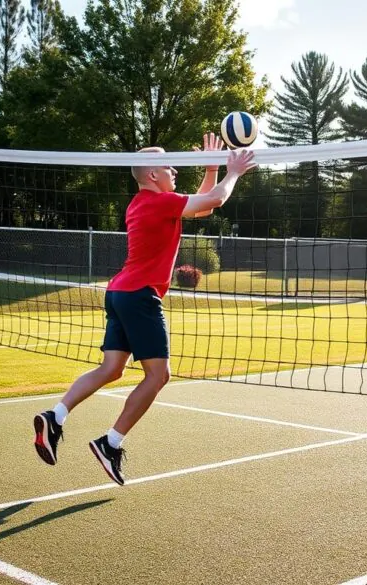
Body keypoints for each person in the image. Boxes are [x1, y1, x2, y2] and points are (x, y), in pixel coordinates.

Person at [32, 133, 256, 485]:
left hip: (119, 291)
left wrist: (212, 167)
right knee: (159, 375)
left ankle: (55, 416)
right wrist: (234, 172)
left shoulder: (142, 203)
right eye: (169, 166)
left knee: (111, 368)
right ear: (153, 176)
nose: (174, 170)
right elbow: (216, 199)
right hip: (139, 295)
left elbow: (205, 205)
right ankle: (111, 443)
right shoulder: (160, 203)